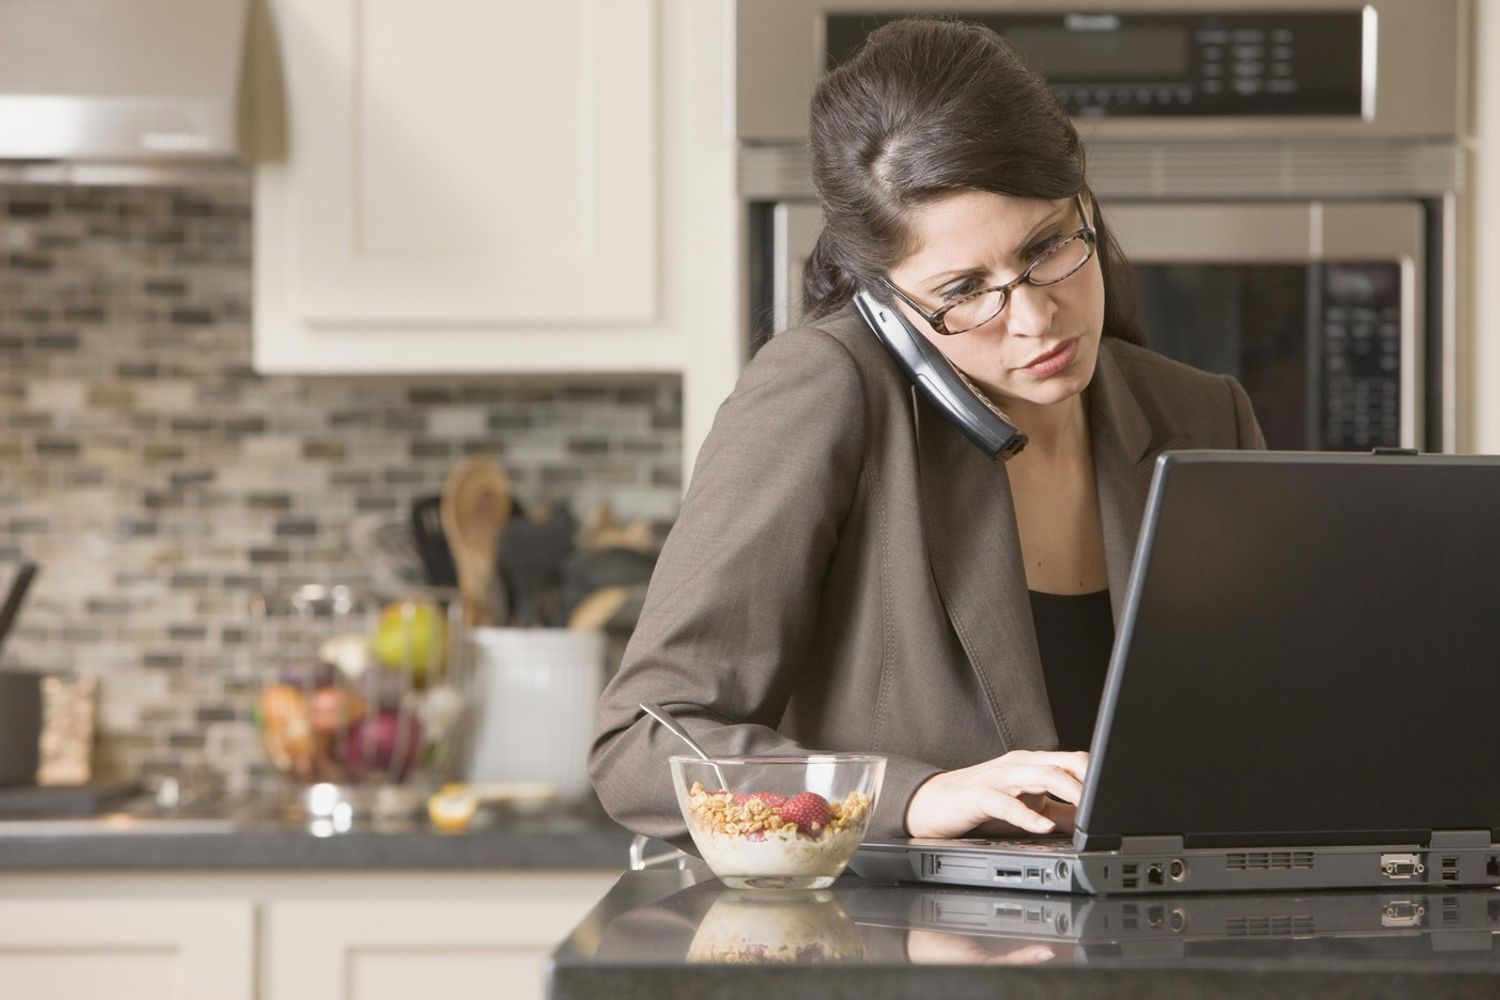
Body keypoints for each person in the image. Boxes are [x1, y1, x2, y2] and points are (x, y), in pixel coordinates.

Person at [589, 17, 1265, 851]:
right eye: (963, 289)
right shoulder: (825, 390)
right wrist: (911, 799)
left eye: (1050, 245)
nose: (1033, 318)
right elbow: (643, 745)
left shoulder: (1201, 417)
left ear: (1083, 203)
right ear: (885, 302)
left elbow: (1268, 725)